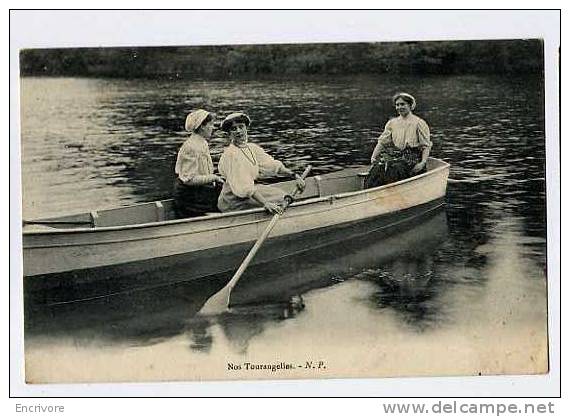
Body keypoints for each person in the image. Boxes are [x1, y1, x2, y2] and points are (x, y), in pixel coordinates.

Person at [217, 112, 305, 214]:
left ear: (246, 128)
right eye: (233, 129)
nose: (238, 131)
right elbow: (244, 186)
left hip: (247, 192)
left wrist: (295, 176)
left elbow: (272, 166)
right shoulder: (231, 154)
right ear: (229, 133)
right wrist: (266, 203)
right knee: (281, 199)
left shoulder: (252, 148)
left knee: (281, 194)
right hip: (234, 200)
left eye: (241, 127)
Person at [365, 92, 432, 188]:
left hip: (413, 158)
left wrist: (422, 163)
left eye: (402, 104)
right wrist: (373, 157)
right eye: (397, 105)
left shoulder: (419, 123)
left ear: (410, 105)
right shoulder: (392, 123)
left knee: (394, 169)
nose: (399, 107)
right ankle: (372, 194)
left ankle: (393, 195)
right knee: (378, 168)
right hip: (397, 156)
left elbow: (425, 146)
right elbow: (382, 142)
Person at [173, 109, 225, 217]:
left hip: (199, 191)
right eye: (211, 125)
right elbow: (189, 179)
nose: (213, 128)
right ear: (202, 126)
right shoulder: (191, 147)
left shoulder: (202, 142)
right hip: (189, 197)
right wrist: (213, 178)